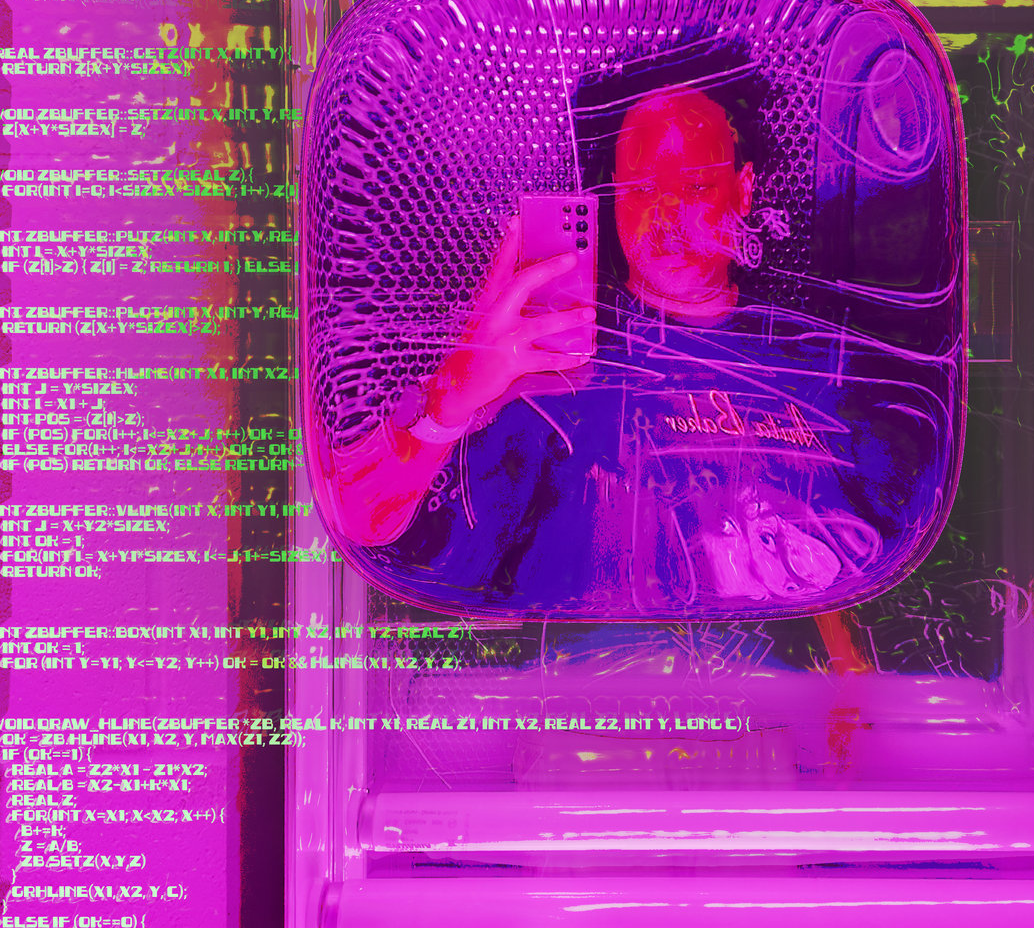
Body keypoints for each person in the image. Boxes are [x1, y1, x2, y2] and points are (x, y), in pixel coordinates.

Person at [311, 85, 921, 617]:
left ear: (743, 191)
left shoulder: (815, 370)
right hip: (572, 690)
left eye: (696, 185)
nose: (669, 214)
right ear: (613, 201)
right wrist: (451, 397)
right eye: (641, 188)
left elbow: (869, 557)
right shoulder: (543, 364)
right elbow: (364, 530)